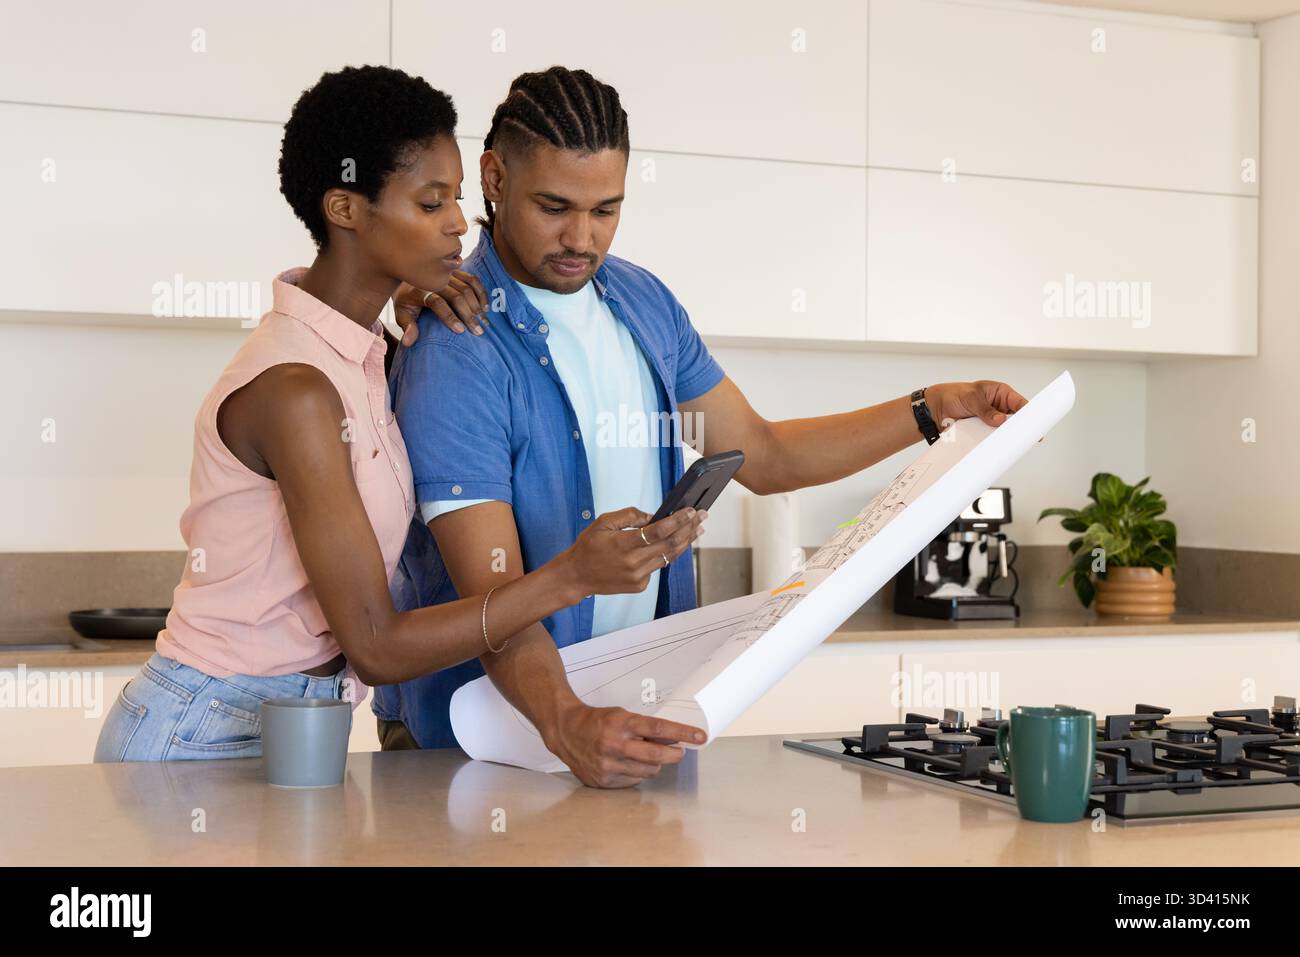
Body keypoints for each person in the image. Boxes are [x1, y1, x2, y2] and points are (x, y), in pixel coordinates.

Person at [378, 66, 1028, 788]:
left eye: (606, 210)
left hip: (626, 721)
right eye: (554, 206)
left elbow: (764, 452)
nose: (581, 238)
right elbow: (490, 597)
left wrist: (931, 409)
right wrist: (565, 721)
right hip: (486, 747)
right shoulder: (456, 344)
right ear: (493, 178)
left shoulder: (642, 302)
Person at [93, 65, 705, 763]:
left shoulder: (371, 356)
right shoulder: (295, 389)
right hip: (198, 730)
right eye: (429, 204)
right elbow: (377, 646)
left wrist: (403, 313)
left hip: (298, 725)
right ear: (347, 209)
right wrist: (570, 576)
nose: (457, 224)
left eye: (456, 199)